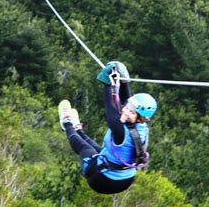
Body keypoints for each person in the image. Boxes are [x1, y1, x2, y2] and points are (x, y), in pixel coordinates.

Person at [58, 61, 157, 195]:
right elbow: (127, 100)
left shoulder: (120, 130)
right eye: (127, 108)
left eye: (131, 112)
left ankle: (67, 123)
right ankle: (79, 129)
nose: (126, 111)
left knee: (86, 149)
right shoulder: (142, 126)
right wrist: (123, 80)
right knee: (98, 149)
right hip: (123, 177)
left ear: (140, 117)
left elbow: (109, 106)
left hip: (104, 181)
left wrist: (106, 82)